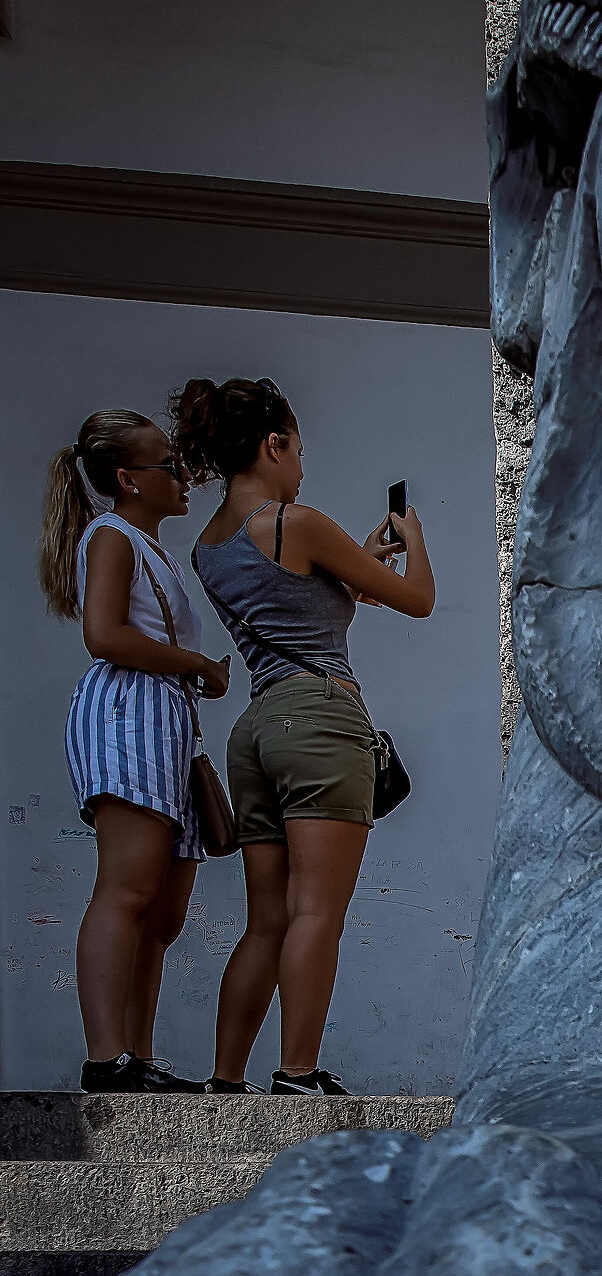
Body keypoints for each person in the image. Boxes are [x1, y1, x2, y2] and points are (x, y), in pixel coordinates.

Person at [173, 377, 435, 1095]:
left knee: (267, 919)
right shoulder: (295, 520)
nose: (301, 468)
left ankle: (226, 1079)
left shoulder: (209, 547)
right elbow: (418, 600)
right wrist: (412, 544)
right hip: (319, 718)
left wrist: (357, 560)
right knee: (317, 910)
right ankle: (296, 1072)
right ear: (273, 443)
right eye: (298, 451)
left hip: (257, 730)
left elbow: (294, 602)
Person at [40, 409, 232, 1093]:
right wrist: (196, 663)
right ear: (128, 479)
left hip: (165, 720)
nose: (183, 476)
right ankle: (106, 1055)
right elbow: (104, 633)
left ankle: (137, 1056)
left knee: (163, 907)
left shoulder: (149, 546)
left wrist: (188, 672)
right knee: (129, 885)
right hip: (129, 714)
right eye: (168, 466)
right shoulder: (113, 535)